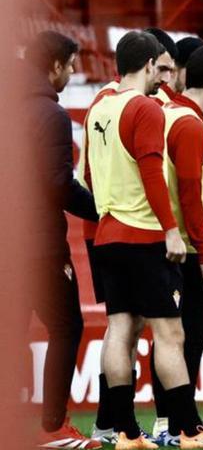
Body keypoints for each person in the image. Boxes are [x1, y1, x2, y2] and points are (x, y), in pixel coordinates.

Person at [84, 30, 203, 449]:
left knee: (119, 330)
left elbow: (87, 176)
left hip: (107, 231)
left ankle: (125, 432)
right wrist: (171, 230)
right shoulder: (146, 109)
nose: (164, 77)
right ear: (150, 64)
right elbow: (153, 173)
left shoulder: (97, 108)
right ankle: (188, 431)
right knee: (171, 336)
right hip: (144, 234)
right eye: (162, 67)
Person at [147, 45, 203, 445]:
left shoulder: (166, 115)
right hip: (184, 246)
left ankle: (173, 424)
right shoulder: (190, 125)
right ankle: (179, 426)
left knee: (172, 335)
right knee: (189, 334)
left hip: (165, 241)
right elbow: (189, 194)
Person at [26, 30, 102, 450]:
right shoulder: (50, 115)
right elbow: (58, 184)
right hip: (37, 245)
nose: (72, 73)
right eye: (70, 65)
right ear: (54, 65)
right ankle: (53, 427)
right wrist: (102, 212)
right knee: (66, 325)